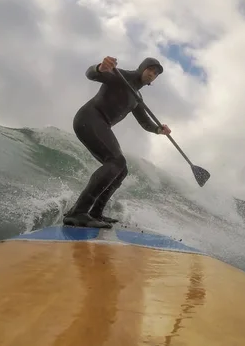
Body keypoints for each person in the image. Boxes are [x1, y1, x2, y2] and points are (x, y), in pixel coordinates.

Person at [63, 56, 171, 228]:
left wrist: (159, 129)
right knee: (116, 161)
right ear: (142, 67)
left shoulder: (137, 97)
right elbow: (91, 74)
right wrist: (100, 68)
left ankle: (95, 212)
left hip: (100, 124)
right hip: (89, 118)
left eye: (156, 73)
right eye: (150, 69)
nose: (152, 74)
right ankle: (78, 213)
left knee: (121, 170)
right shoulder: (121, 76)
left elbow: (144, 122)